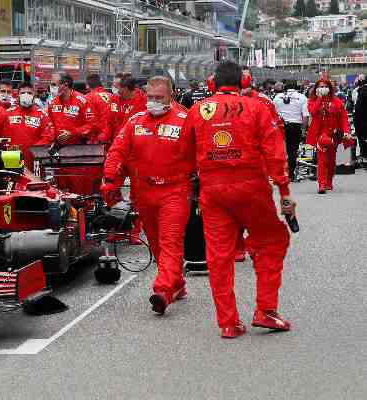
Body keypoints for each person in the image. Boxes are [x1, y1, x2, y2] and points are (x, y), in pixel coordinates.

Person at [182, 61, 295, 339]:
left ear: (212, 83)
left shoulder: (197, 111)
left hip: (212, 191)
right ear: (244, 82)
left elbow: (184, 155)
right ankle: (266, 310)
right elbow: (275, 153)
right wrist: (284, 192)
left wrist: (191, 189)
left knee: (219, 256)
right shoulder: (258, 107)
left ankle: (228, 323)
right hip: (251, 189)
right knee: (272, 241)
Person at [101, 76, 194, 315]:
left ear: (170, 96)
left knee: (170, 242)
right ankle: (178, 284)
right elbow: (117, 153)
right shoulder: (135, 121)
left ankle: (162, 290)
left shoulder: (186, 120)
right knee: (156, 244)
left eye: (159, 98)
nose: (153, 102)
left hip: (175, 190)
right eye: (150, 97)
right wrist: (110, 181)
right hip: (143, 192)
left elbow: (200, 154)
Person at [46, 73, 98, 194]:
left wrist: (73, 133)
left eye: (53, 84)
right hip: (59, 154)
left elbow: (93, 125)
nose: (51, 87)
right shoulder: (53, 103)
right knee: (61, 191)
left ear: (65, 85)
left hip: (78, 153)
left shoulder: (82, 100)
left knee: (80, 190)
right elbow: (49, 127)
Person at [306, 79, 353, 194]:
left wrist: (347, 131)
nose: (322, 88)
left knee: (331, 161)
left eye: (325, 86)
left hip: (334, 135)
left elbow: (343, 118)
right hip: (320, 135)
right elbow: (312, 111)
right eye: (320, 86)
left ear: (329, 88)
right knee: (322, 160)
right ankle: (321, 184)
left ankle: (328, 181)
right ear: (316, 88)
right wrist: (320, 98)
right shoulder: (312, 101)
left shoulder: (337, 101)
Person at [6, 82, 55, 172]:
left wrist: (33, 148)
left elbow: (49, 136)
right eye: (23, 93)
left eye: (29, 93)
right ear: (17, 95)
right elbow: (2, 135)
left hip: (34, 159)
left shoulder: (42, 114)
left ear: (34, 95)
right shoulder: (8, 113)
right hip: (12, 158)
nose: (26, 95)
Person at [273, 81, 310, 181]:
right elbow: (306, 116)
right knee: (293, 150)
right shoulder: (302, 97)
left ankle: (279, 174)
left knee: (280, 150)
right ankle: (291, 175)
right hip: (295, 126)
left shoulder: (277, 97)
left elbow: (272, 113)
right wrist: (303, 129)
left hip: (280, 126)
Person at [102, 76, 147, 143]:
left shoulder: (143, 101)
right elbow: (109, 121)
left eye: (118, 88)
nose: (118, 91)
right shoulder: (114, 99)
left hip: (133, 142)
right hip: (116, 141)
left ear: (125, 89)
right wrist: (104, 137)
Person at [85, 73, 114, 143]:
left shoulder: (88, 98)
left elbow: (91, 121)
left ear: (87, 86)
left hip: (97, 140)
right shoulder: (112, 96)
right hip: (112, 137)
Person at [353, 76, 367, 163]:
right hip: (362, 119)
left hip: (362, 120)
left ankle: (364, 155)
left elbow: (358, 108)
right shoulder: (359, 91)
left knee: (363, 138)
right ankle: (363, 154)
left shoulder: (362, 91)